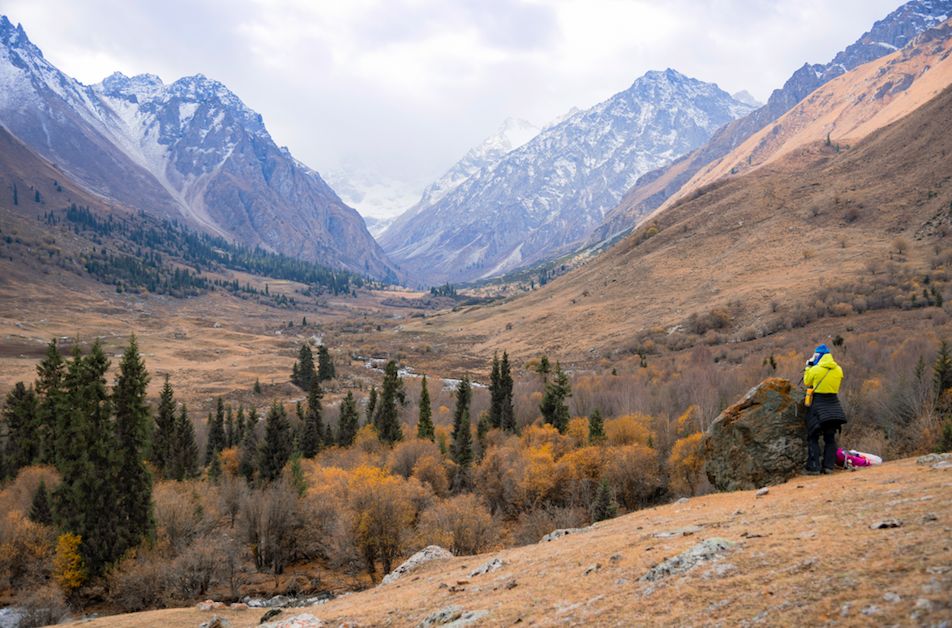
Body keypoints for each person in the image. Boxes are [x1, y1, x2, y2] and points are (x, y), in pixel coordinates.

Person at [803, 343, 847, 474]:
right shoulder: (838, 369)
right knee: (830, 438)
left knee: (813, 436)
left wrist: (808, 367)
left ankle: (814, 467)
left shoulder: (816, 370)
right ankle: (828, 466)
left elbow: (807, 381)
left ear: (818, 356)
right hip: (834, 405)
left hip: (818, 405)